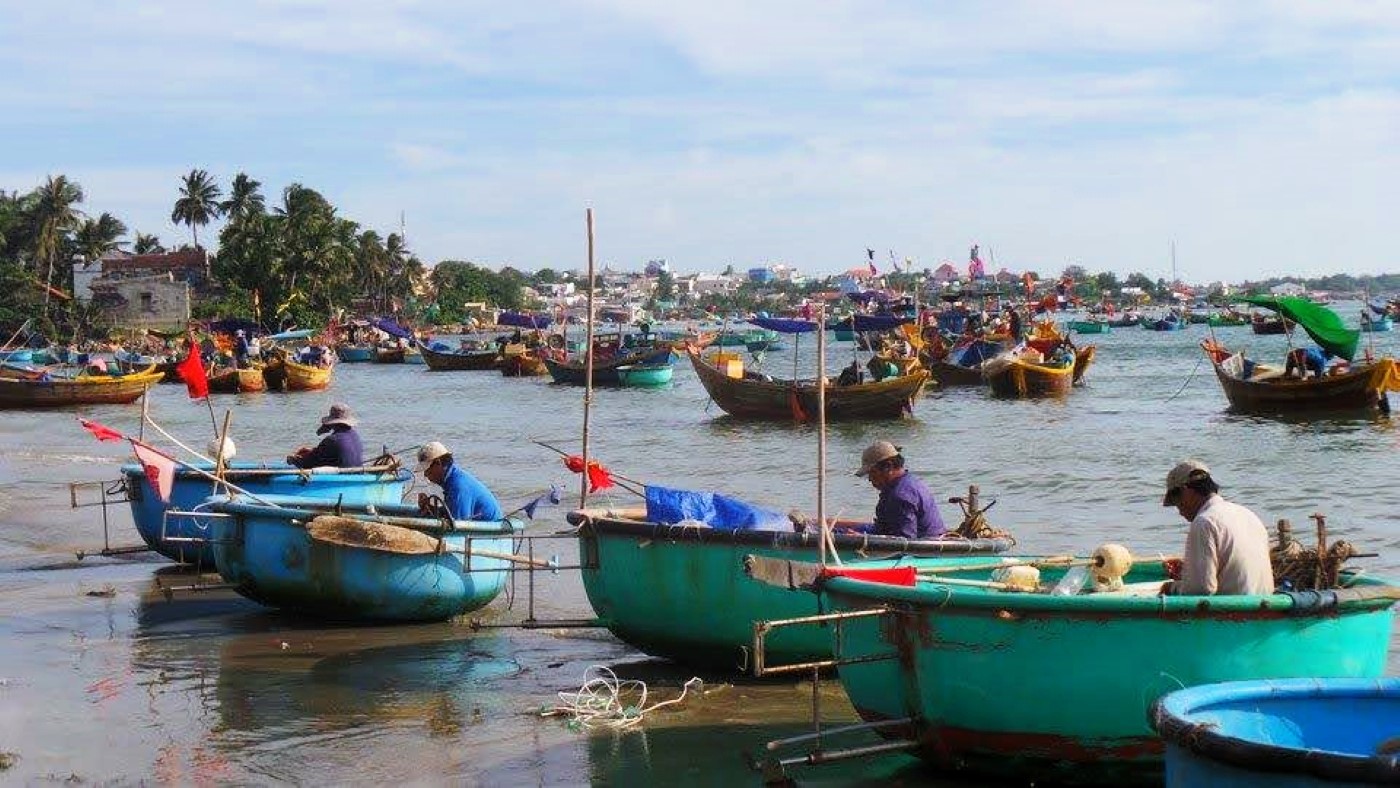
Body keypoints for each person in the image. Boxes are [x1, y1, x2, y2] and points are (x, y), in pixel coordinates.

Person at [1159, 460, 1274, 596]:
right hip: (1263, 605)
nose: (1180, 511)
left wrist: (1172, 588)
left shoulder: (1204, 522)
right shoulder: (1248, 514)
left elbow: (1202, 589)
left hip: (1234, 611)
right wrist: (1190, 571)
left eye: (1178, 503)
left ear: (1186, 492)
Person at [848, 441, 945, 539]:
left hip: (921, 550)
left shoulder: (900, 496)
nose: (869, 479)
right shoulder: (908, 482)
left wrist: (864, 539)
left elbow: (905, 541)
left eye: (872, 473)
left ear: (888, 467)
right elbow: (884, 528)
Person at [415, 441, 504, 521]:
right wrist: (430, 508)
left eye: (427, 469)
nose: (425, 474)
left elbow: (458, 526)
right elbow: (451, 512)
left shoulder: (458, 486)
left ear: (438, 463)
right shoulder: (452, 479)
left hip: (489, 535)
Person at [287, 403, 364, 469]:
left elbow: (309, 463)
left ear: (332, 422)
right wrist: (313, 451)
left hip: (339, 478)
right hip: (356, 474)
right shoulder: (356, 436)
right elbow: (334, 452)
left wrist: (293, 460)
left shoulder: (332, 440)